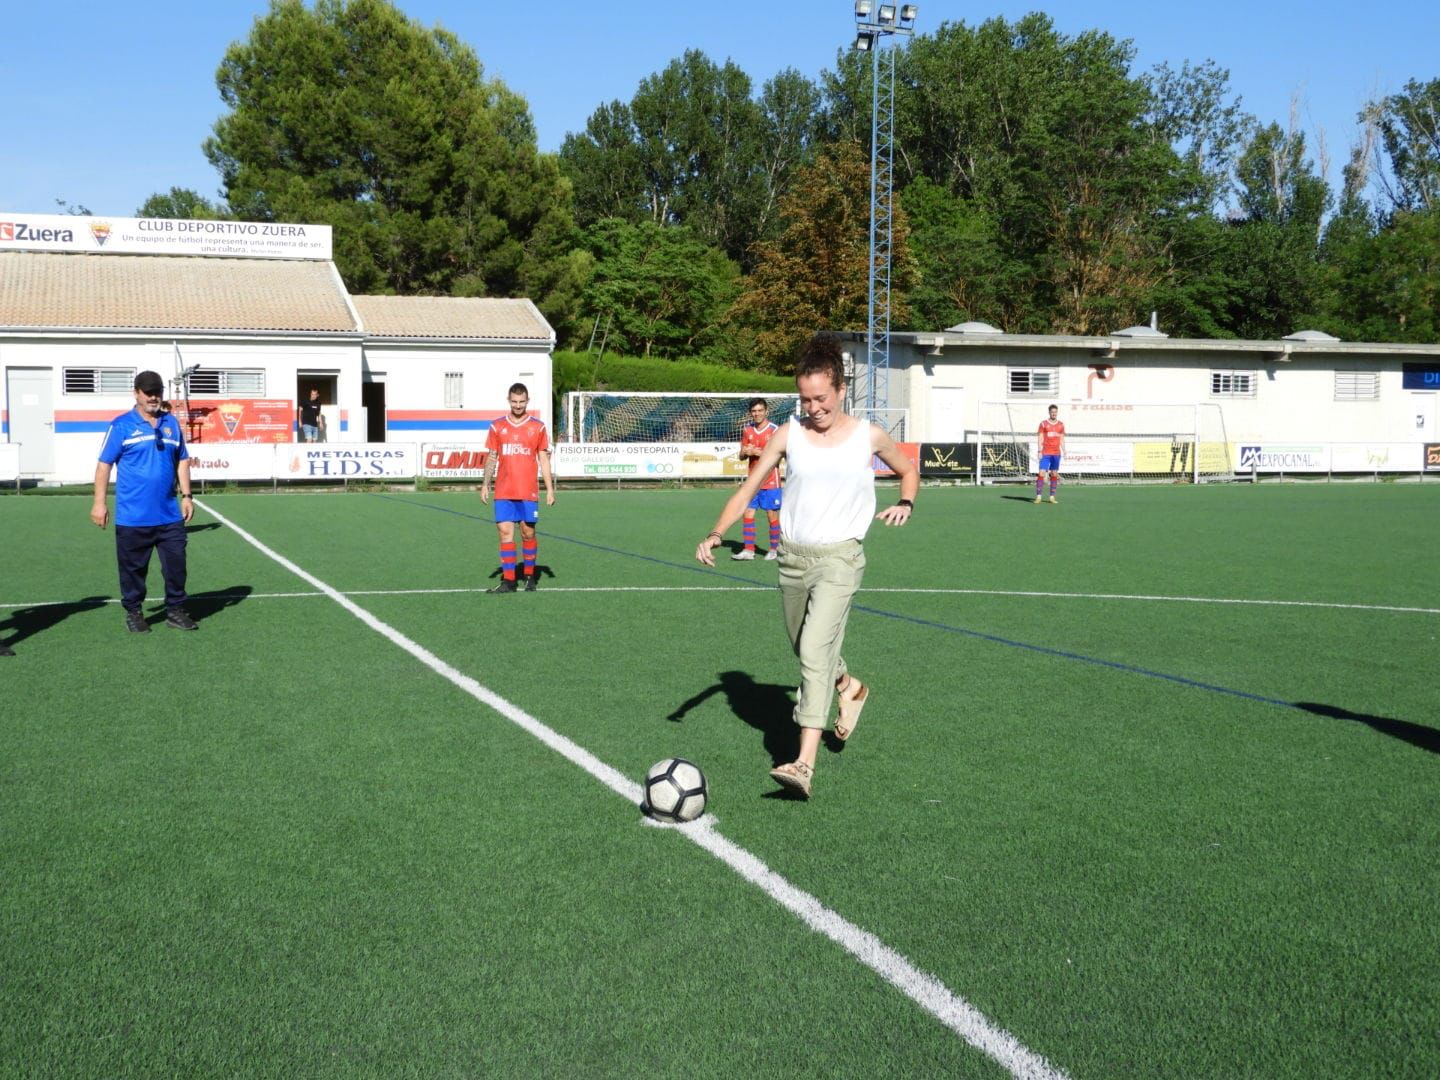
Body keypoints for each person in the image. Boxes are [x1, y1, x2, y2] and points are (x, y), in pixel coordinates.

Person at [695, 333, 918, 799]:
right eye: (804, 398)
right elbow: (748, 488)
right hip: (794, 560)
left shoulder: (867, 435)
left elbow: (908, 468)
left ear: (840, 390)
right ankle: (850, 688)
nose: (813, 407)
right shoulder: (788, 433)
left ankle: (803, 763)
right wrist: (716, 533)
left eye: (820, 398)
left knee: (814, 651)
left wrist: (906, 501)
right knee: (805, 649)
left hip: (841, 558)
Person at [91, 370, 198, 633]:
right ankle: (134, 612)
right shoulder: (122, 425)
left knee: (176, 567)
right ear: (136, 393)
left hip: (169, 514)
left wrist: (187, 496)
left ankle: (175, 610)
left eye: (157, 392)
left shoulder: (171, 423)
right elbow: (104, 464)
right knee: (133, 570)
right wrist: (99, 503)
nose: (153, 397)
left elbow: (182, 459)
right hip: (133, 516)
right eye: (148, 392)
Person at [480, 383, 555, 593]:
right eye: (514, 401)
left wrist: (549, 489)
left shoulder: (537, 427)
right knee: (505, 532)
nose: (518, 405)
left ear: (527, 401)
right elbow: (492, 456)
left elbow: (543, 458)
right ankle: (509, 581)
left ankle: (530, 576)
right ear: (509, 400)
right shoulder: (497, 426)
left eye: (522, 402)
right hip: (503, 490)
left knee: (527, 532)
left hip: (527, 490)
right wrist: (485, 484)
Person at [732, 398, 783, 561]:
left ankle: (774, 549)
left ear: (766, 411)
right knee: (747, 513)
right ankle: (748, 549)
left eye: (760, 410)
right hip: (752, 481)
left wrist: (759, 452)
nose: (757, 413)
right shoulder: (748, 430)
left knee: (771, 516)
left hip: (770, 481)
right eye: (754, 411)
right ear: (750, 413)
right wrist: (745, 452)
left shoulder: (775, 430)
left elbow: (779, 455)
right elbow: (741, 455)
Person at [1035, 404, 1065, 504]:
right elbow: (1040, 438)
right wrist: (1039, 451)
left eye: (1055, 412)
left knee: (1054, 474)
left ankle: (1052, 497)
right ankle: (1038, 496)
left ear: (1057, 413)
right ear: (1049, 412)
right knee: (1041, 473)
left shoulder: (1061, 425)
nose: (1054, 414)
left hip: (1056, 453)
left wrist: (1064, 450)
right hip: (1046, 453)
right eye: (1052, 412)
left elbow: (1061, 438)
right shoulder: (1043, 424)